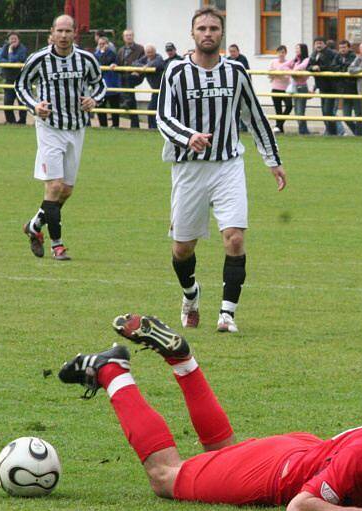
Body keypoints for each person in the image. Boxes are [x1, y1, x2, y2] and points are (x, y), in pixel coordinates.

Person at [58, 313, 362, 511]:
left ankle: (183, 362)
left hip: (306, 449)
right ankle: (112, 371)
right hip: (281, 475)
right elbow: (300, 507)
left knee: (220, 457)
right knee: (167, 476)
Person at [156, 7, 286, 333]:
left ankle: (227, 314)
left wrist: (273, 160)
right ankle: (191, 295)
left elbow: (255, 116)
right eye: (202, 28)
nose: (208, 33)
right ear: (193, 33)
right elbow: (162, 117)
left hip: (228, 165)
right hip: (189, 168)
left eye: (214, 28)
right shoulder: (175, 72)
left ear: (222, 33)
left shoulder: (236, 73)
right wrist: (189, 137)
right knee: (183, 248)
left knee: (235, 239)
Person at [15, 15, 106, 261]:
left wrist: (93, 99)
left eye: (68, 31)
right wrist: (35, 106)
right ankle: (57, 244)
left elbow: (100, 85)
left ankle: (34, 226)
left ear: (75, 33)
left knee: (65, 190)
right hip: (49, 128)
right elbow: (20, 86)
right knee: (54, 186)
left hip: (76, 129)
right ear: (52, 33)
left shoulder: (86, 59)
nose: (64, 36)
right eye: (60, 31)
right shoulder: (39, 59)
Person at [308, 36, 342, 135]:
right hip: (322, 86)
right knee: (324, 111)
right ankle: (330, 132)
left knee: (328, 111)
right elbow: (308, 66)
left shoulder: (331, 53)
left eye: (320, 43)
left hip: (331, 86)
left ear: (324, 44)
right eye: (316, 43)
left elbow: (332, 67)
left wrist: (320, 68)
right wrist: (313, 68)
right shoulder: (314, 53)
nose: (318, 45)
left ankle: (333, 132)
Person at [132, 44, 165, 129]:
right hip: (155, 89)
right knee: (152, 109)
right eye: (147, 52)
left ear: (155, 52)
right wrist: (144, 67)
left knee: (152, 109)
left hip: (162, 89)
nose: (149, 54)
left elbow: (158, 64)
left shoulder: (158, 58)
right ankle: (152, 127)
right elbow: (134, 63)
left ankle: (153, 128)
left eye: (151, 52)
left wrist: (147, 66)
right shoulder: (145, 58)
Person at [116, 29, 144, 128]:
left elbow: (144, 61)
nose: (129, 37)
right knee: (131, 98)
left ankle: (126, 101)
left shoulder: (140, 49)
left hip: (136, 76)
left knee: (129, 93)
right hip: (124, 76)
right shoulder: (121, 50)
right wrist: (113, 66)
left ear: (133, 36)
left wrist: (138, 70)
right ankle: (135, 124)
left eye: (130, 35)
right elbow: (118, 64)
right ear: (123, 38)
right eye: (127, 35)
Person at [333, 39, 361, 136]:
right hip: (344, 90)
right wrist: (342, 68)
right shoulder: (337, 56)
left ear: (348, 48)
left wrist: (341, 69)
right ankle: (357, 132)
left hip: (355, 89)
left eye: (344, 47)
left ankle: (360, 134)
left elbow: (350, 68)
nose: (342, 49)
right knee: (346, 116)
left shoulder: (353, 56)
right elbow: (333, 67)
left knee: (359, 115)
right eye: (341, 47)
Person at [0, 32, 28, 124]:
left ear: (19, 40)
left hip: (20, 79)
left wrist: (10, 51)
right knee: (7, 102)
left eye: (15, 38)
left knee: (21, 102)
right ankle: (10, 121)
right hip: (9, 79)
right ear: (8, 40)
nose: (13, 40)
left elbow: (13, 60)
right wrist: (8, 62)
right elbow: (0, 58)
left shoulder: (23, 49)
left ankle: (22, 121)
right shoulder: (5, 47)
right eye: (11, 38)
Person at [94, 36, 121, 128]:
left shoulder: (112, 54)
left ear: (107, 44)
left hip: (112, 84)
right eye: (100, 44)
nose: (101, 46)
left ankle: (115, 125)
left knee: (114, 106)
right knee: (100, 106)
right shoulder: (96, 54)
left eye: (103, 44)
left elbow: (105, 61)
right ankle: (103, 125)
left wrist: (103, 53)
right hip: (101, 85)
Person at [268, 44, 294, 133]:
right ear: (277, 53)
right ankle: (280, 129)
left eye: (283, 52)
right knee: (278, 110)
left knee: (289, 106)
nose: (281, 54)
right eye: (279, 52)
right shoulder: (273, 62)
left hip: (286, 89)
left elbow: (288, 76)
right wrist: (278, 74)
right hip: (275, 88)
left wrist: (277, 74)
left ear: (285, 53)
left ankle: (278, 126)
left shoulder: (289, 63)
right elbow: (270, 75)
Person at [291, 43, 311, 135]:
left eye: (298, 49)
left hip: (302, 87)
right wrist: (293, 72)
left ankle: (303, 131)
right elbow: (284, 66)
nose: (296, 51)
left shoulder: (306, 60)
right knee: (296, 111)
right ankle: (303, 130)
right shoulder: (296, 60)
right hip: (294, 86)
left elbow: (301, 68)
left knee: (300, 110)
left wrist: (294, 71)